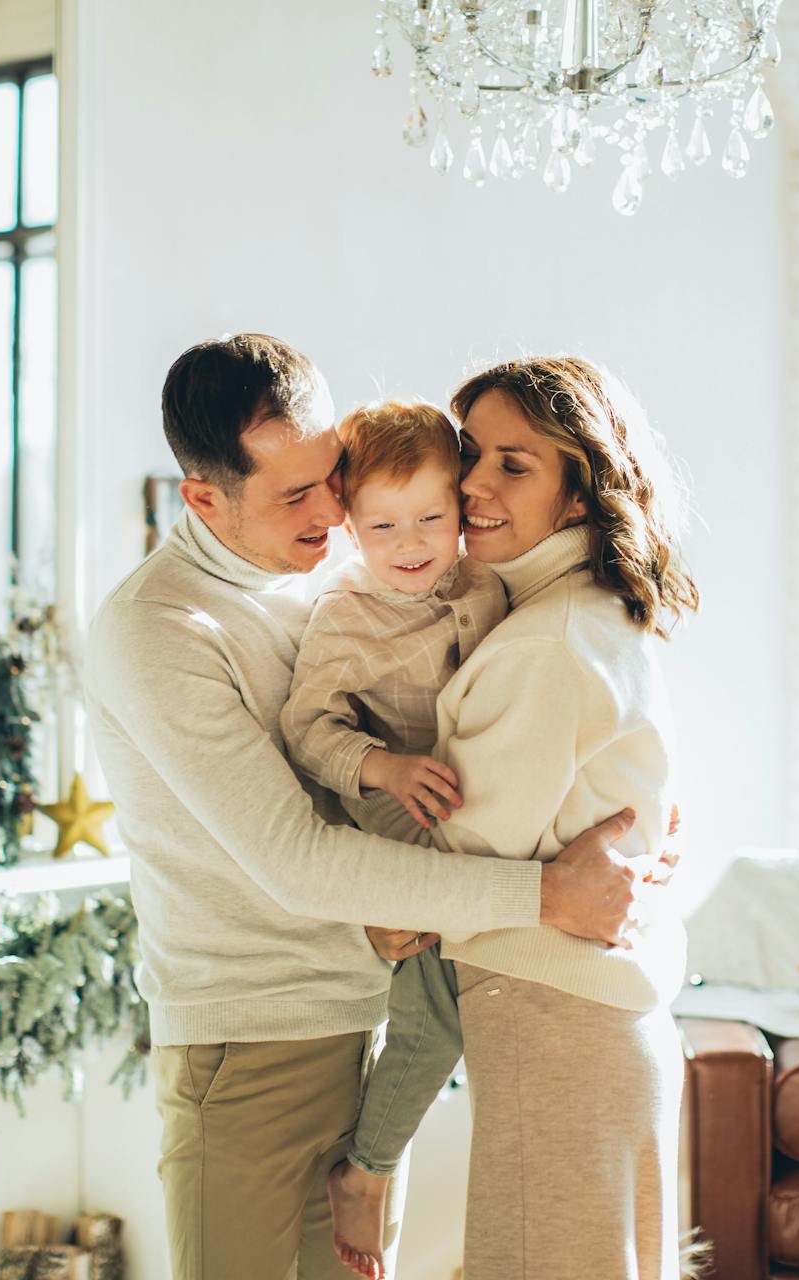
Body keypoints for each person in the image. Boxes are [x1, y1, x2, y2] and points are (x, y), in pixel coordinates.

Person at [82, 335, 659, 1280]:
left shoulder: (335, 575)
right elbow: (297, 860)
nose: (334, 513)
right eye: (295, 497)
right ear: (202, 498)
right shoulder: (159, 630)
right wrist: (547, 896)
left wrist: (628, 818)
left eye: (330, 480)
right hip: (250, 1046)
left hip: (365, 1019)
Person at [334, 355, 702, 1280]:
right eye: (472, 455)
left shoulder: (547, 643)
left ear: (579, 495)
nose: (474, 484)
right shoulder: (579, 614)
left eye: (515, 463)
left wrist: (387, 908)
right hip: (592, 1029)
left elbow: (460, 866)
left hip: (557, 1030)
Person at [277, 400, 505, 1267]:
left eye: (431, 519)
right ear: (345, 518)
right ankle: (367, 1172)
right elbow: (308, 730)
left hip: (473, 809)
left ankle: (377, 1167)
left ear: (461, 509)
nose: (409, 543)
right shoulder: (345, 615)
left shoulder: (485, 585)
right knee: (433, 1014)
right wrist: (382, 766)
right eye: (382, 524)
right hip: (397, 810)